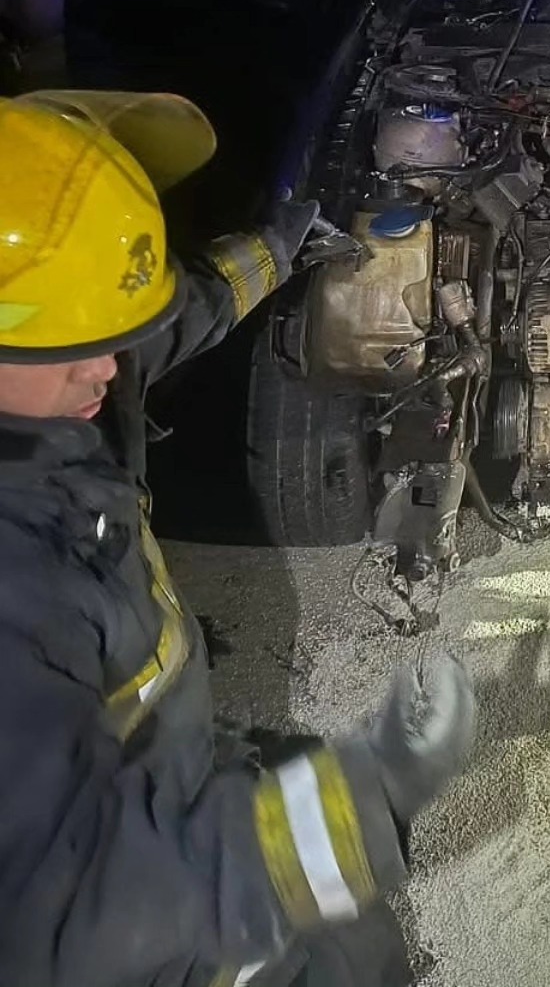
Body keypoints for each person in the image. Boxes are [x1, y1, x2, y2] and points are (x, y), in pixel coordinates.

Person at [0, 91, 477, 987]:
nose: (108, 366)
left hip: (164, 778)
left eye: (114, 331)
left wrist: (280, 247)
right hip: (161, 933)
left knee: (357, 936)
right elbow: (82, 911)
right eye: (75, 345)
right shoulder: (14, 590)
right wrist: (372, 790)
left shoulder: (47, 377)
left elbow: (192, 305)